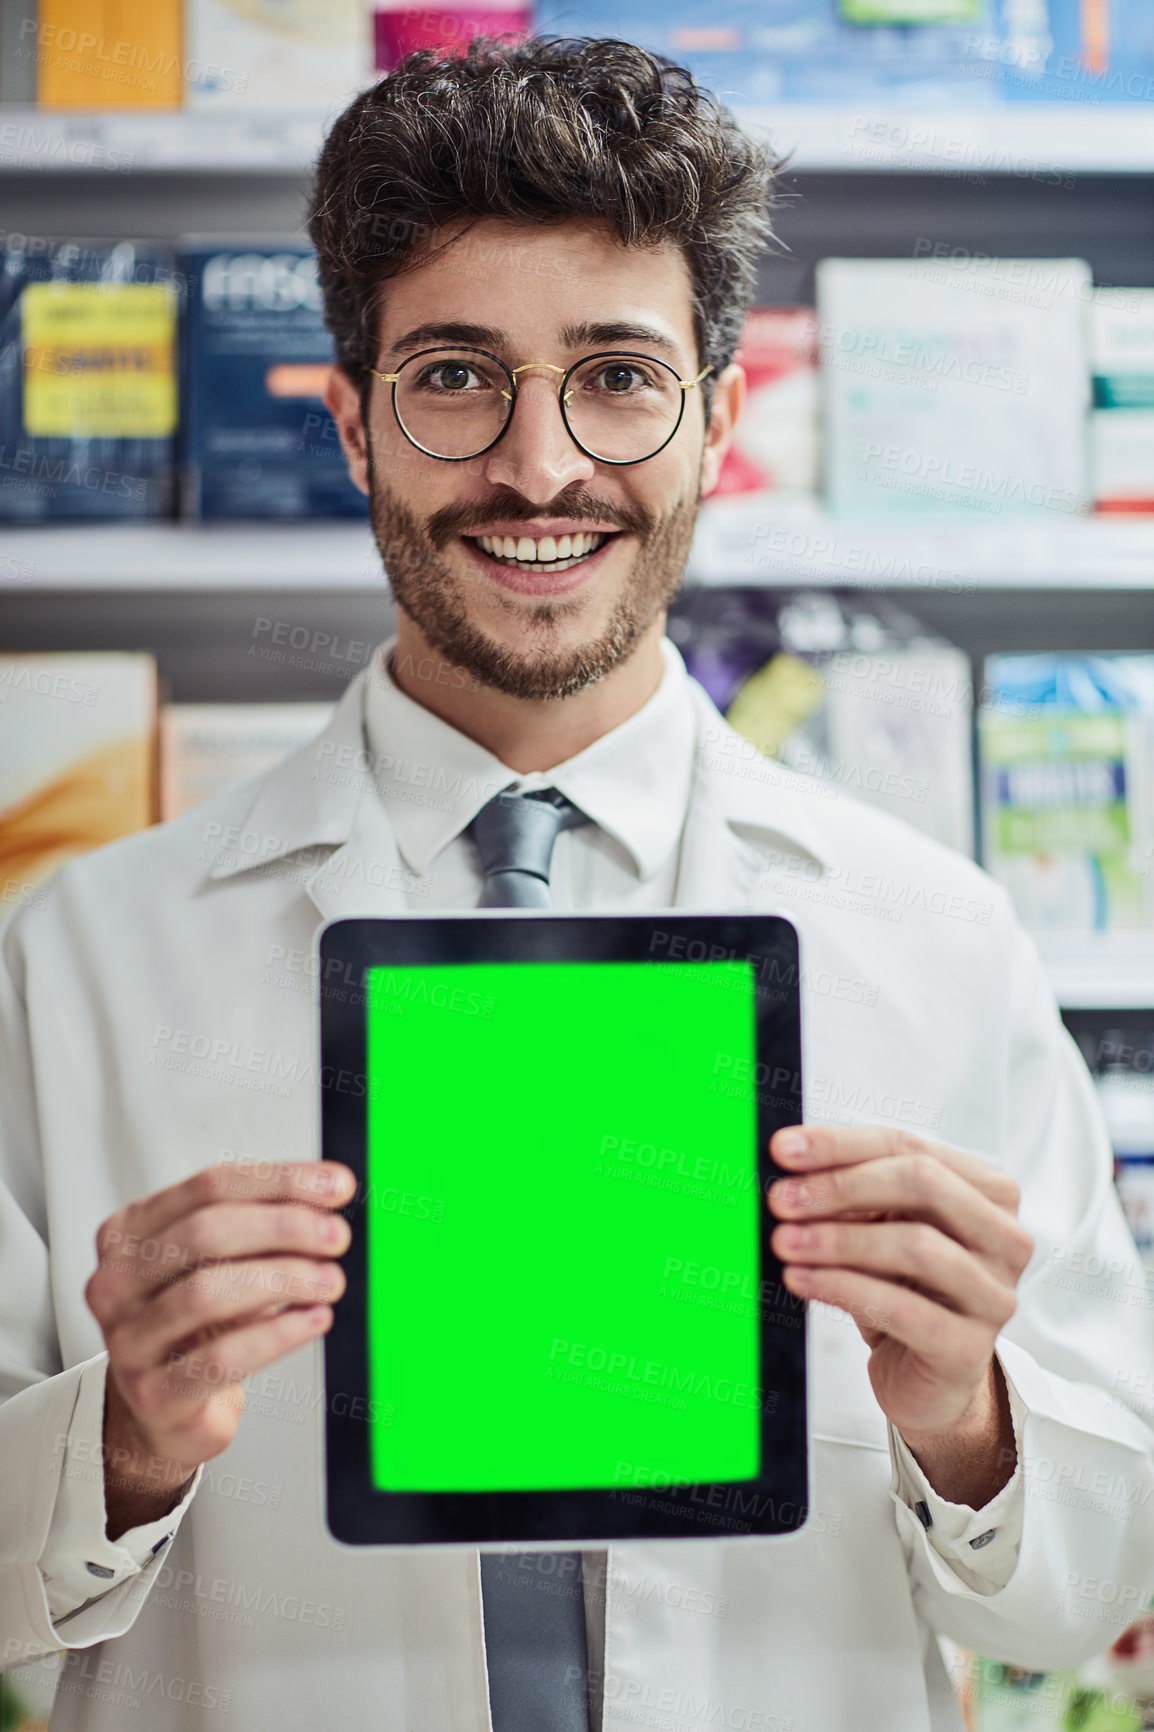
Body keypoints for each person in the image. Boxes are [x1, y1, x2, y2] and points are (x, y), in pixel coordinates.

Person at [1, 35, 1153, 1732]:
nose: (540, 468)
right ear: (349, 424)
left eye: (616, 376)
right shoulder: (89, 955)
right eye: (455, 377)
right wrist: (117, 1442)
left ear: (715, 422)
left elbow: (1097, 1584)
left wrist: (966, 1417)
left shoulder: (934, 937)